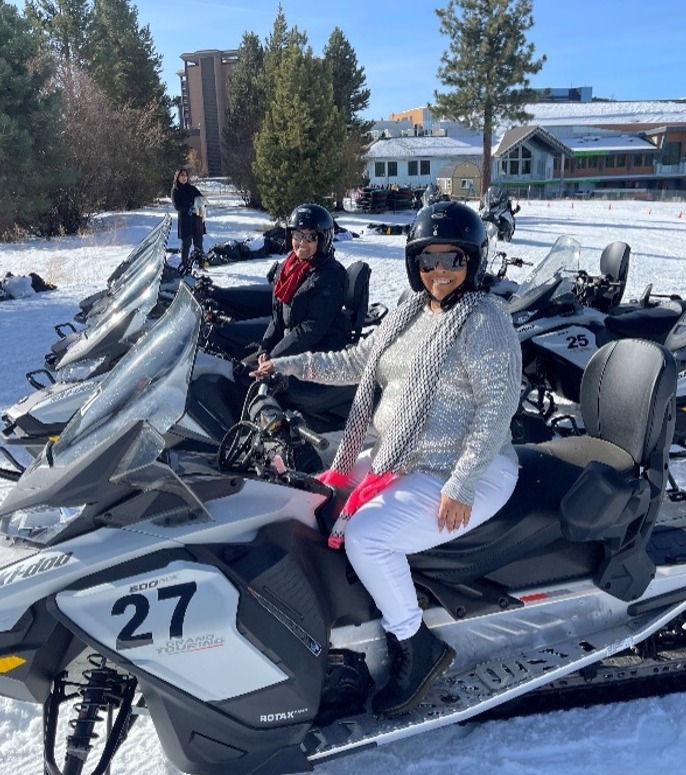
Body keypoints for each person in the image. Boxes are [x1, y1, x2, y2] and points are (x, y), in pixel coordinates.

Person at [251, 201, 522, 717]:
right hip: (403, 455)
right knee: (311, 490)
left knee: (368, 536)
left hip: (469, 467)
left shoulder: (485, 319)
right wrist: (285, 365)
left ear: (473, 262)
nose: (439, 272)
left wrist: (461, 484)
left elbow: (498, 405)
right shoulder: (411, 310)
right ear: (413, 264)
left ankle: (416, 646)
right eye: (428, 261)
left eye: (453, 260)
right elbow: (357, 361)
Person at [171, 168, 205, 265]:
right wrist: (188, 209)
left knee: (198, 243)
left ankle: (200, 263)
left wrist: (201, 207)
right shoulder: (175, 190)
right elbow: (177, 206)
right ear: (177, 177)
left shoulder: (192, 188)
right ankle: (184, 264)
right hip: (185, 221)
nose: (184, 177)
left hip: (196, 220)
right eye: (182, 175)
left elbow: (201, 199)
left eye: (185, 175)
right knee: (186, 244)